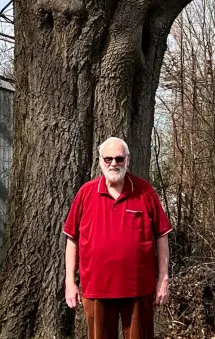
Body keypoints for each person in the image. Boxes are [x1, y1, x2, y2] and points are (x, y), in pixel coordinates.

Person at [63, 137, 171, 339]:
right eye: (109, 159)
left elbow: (162, 236)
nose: (114, 164)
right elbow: (72, 239)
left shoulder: (145, 191)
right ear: (100, 160)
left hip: (139, 289)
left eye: (119, 159)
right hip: (96, 288)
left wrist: (163, 279)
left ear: (127, 160)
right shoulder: (86, 193)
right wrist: (70, 281)